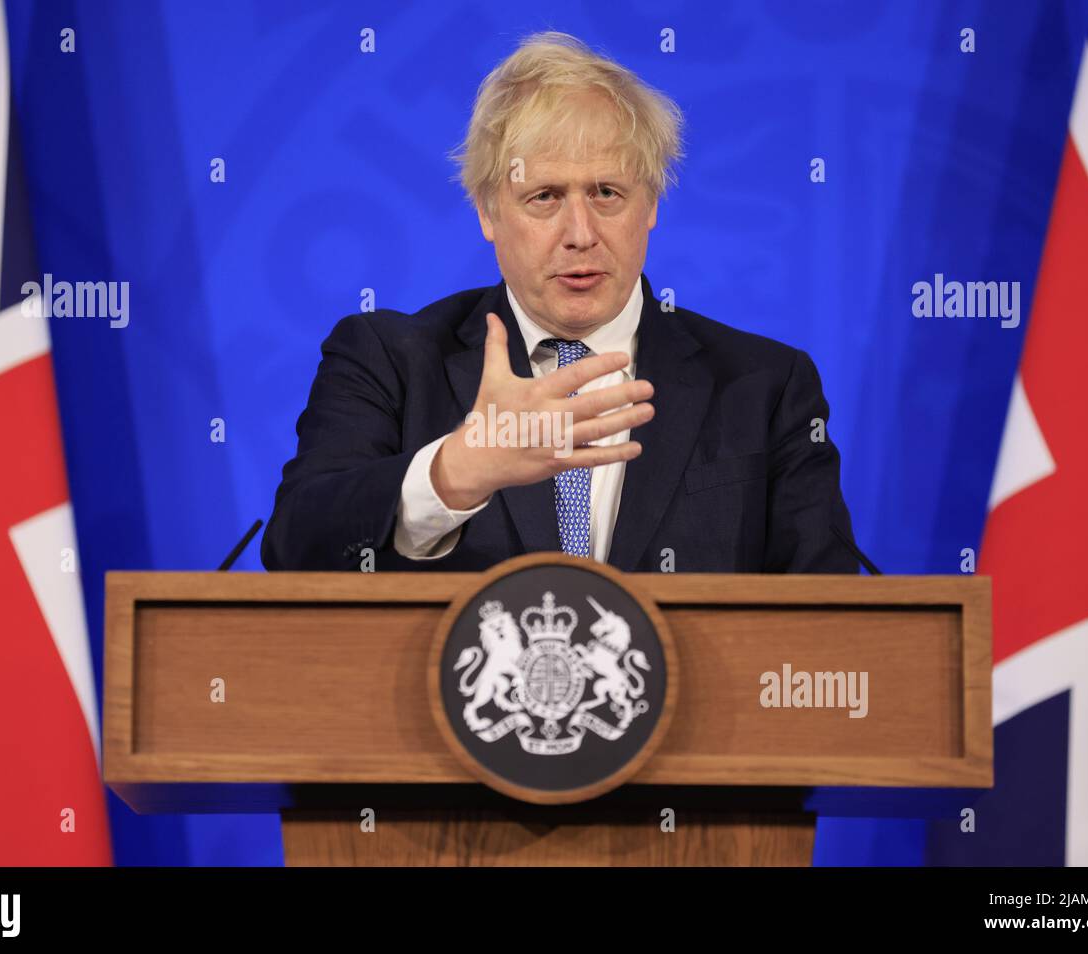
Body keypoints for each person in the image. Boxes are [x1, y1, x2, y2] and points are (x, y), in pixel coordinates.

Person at [262, 31, 857, 574]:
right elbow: (295, 546)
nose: (580, 232)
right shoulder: (389, 360)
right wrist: (455, 472)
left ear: (651, 204)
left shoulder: (767, 387)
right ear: (488, 212)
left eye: (607, 192)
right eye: (544, 196)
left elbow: (833, 618)